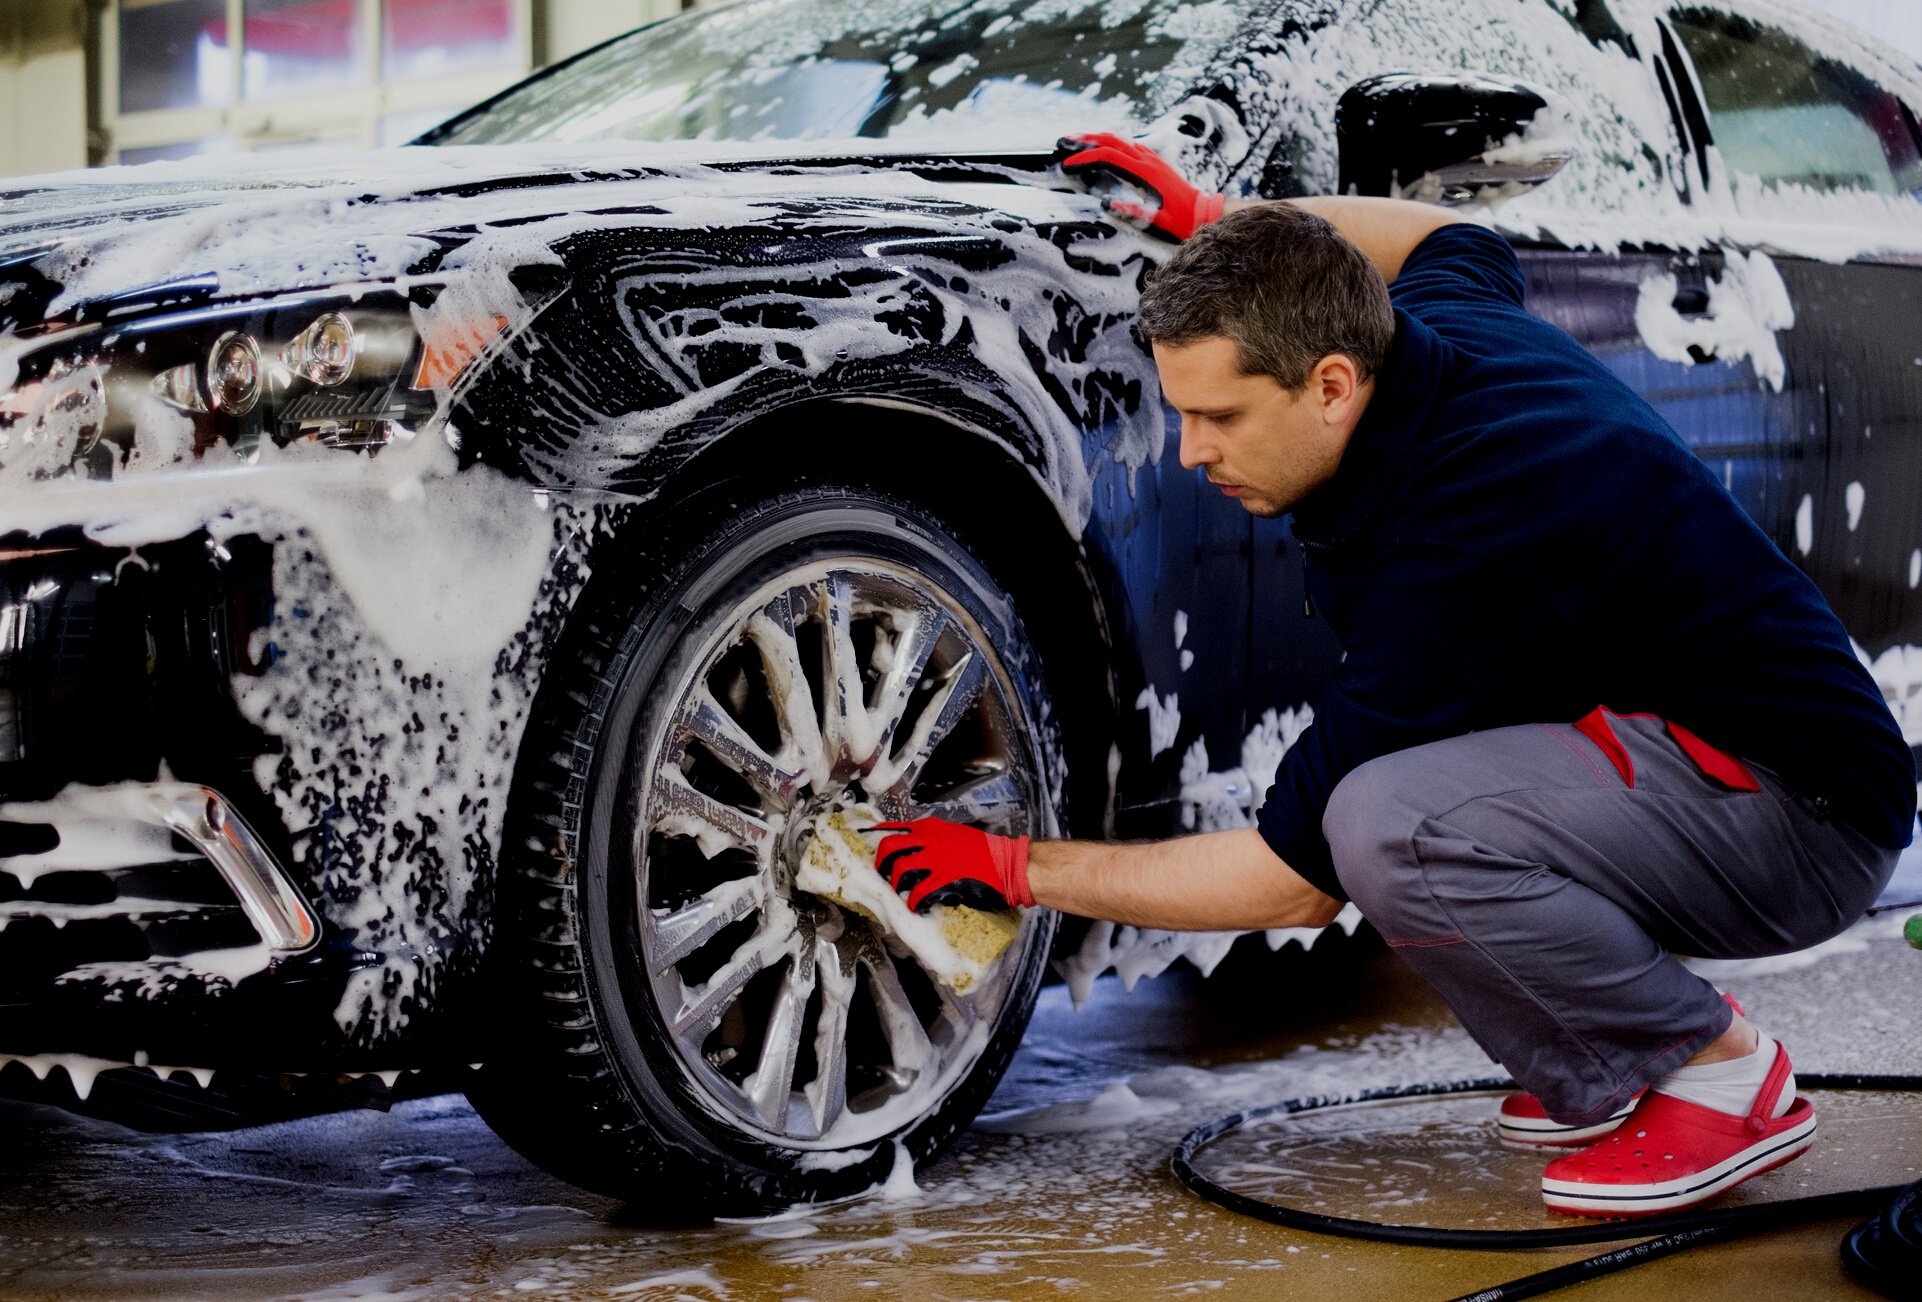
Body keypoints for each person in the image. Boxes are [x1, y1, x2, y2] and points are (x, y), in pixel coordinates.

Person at [868, 134, 1915, 1217]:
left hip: (1801, 822)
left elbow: (1292, 880)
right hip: (1709, 756)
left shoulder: (1455, 557)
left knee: (1385, 823)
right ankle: (1603, 1070)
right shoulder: (1433, 331)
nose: (1189, 451)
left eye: (1218, 416)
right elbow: (1447, 234)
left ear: (1329, 384)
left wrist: (1014, 867)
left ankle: (1719, 1072)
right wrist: (1218, 216)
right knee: (1399, 807)